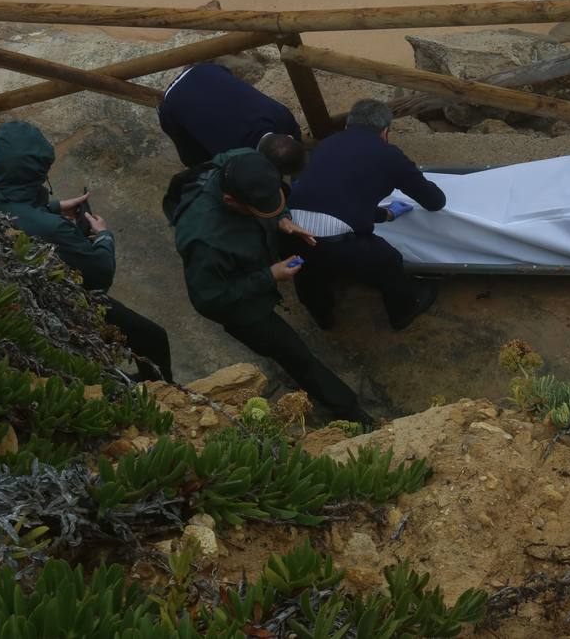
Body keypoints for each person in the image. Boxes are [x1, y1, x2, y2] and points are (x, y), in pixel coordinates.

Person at [171, 148, 372, 424]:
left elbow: (271, 205)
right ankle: (349, 411)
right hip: (243, 309)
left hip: (253, 266)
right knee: (295, 354)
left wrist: (283, 220)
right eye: (260, 210)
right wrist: (269, 275)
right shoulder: (205, 241)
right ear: (230, 201)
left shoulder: (247, 161)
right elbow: (209, 300)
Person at [0, 121, 172, 381]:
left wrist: (51, 207)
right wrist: (103, 236)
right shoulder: (53, 230)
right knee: (153, 337)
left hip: (5, 292)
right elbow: (99, 275)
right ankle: (159, 388)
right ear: (41, 170)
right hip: (56, 301)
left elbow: (13, 206)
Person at [287, 99, 446, 331]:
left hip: (291, 231)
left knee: (308, 272)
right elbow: (435, 201)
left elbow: (337, 198)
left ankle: (322, 316)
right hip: (337, 243)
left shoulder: (325, 145)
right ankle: (404, 310)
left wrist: (385, 215)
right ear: (385, 131)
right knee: (388, 260)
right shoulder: (389, 155)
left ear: (347, 126)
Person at [158, 62, 307, 174]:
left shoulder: (283, 116)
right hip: (171, 102)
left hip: (205, 70)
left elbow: (295, 136)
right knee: (197, 160)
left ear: (288, 137)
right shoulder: (232, 156)